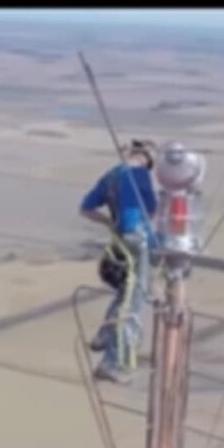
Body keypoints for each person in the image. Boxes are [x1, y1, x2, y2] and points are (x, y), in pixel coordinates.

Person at [79, 140, 157, 384]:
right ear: (143, 157)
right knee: (132, 301)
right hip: (136, 240)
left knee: (125, 290)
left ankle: (103, 336)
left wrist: (109, 223)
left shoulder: (111, 176)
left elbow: (86, 208)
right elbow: (151, 210)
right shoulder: (140, 174)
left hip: (120, 240)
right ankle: (113, 362)